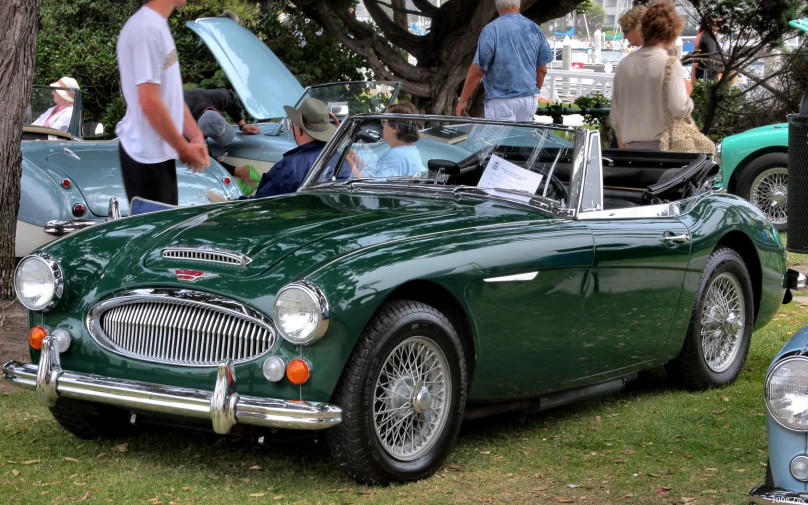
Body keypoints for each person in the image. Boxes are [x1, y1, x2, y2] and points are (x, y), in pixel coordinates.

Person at [115, 0, 210, 206]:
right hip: (144, 155)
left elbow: (170, 95)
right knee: (156, 236)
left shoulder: (157, 25)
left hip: (157, 153)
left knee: (167, 233)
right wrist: (183, 148)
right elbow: (149, 101)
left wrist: (195, 136)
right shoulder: (146, 29)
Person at [609, 0, 694, 151]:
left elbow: (616, 113)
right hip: (660, 145)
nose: (624, 36)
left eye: (627, 30)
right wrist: (686, 94)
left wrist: (623, 143)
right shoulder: (669, 62)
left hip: (631, 145)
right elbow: (678, 107)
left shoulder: (625, 64)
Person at [456, 0, 553, 121]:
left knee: (500, 140)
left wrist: (463, 100)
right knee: (521, 138)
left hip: (500, 101)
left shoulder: (491, 29)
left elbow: (477, 70)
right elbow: (542, 70)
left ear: (497, 6)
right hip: (528, 101)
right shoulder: (534, 29)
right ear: (518, 4)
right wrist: (532, 92)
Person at [244, 98, 335, 199]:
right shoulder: (344, 160)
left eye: (293, 124)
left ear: (299, 129)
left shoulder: (287, 168)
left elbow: (260, 204)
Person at [360, 102, 424, 178]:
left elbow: (371, 186)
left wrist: (351, 163)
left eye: (385, 122)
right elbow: (378, 174)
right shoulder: (409, 151)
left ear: (395, 128)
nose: (383, 126)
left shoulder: (397, 157)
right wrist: (358, 162)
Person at [184, 88, 260, 146]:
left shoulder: (220, 98)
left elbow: (231, 99)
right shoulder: (183, 125)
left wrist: (242, 125)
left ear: (219, 114)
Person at [691, 18, 724, 83]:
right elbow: (710, 57)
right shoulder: (708, 37)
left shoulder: (704, 34)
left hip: (704, 73)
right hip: (707, 74)